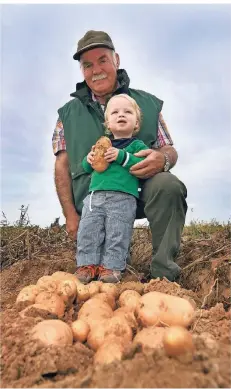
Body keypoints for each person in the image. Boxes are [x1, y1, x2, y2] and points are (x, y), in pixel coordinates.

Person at [52, 30, 188, 283]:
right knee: (93, 242)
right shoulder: (68, 114)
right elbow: (62, 165)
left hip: (134, 193)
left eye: (103, 60)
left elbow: (168, 147)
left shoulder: (146, 104)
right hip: (92, 198)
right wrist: (71, 215)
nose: (96, 70)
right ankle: (94, 268)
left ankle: (163, 277)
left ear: (116, 60)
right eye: (87, 65)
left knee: (168, 184)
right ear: (82, 70)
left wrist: (163, 159)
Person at [76, 94, 149, 283]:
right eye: (115, 112)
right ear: (108, 123)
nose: (121, 115)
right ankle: (87, 264)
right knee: (88, 230)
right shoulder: (101, 143)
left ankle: (111, 268)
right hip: (95, 197)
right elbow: (85, 167)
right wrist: (89, 159)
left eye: (127, 112)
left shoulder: (136, 145)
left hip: (123, 198)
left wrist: (121, 156)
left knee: (118, 232)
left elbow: (141, 163)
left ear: (136, 124)